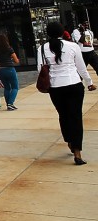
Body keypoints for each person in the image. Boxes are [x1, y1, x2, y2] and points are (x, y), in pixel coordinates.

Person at [39, 21, 96, 166]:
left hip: (56, 87)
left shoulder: (42, 49)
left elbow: (40, 70)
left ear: (48, 33)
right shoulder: (73, 46)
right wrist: (89, 82)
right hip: (74, 84)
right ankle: (77, 152)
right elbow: (81, 67)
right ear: (62, 32)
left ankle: (69, 141)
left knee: (63, 115)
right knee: (75, 116)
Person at [0, 32, 20, 110]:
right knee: (15, 87)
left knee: (7, 87)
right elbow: (16, 60)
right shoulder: (9, 48)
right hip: (9, 69)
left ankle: (8, 104)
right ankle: (10, 103)